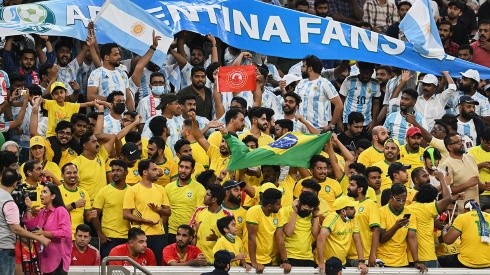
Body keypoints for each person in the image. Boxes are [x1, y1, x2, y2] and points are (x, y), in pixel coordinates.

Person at [0, 169, 50, 275]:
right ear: (15, 183)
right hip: (3, 249)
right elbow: (16, 229)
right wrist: (39, 238)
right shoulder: (8, 202)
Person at [123, 159, 171, 265]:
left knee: (158, 266)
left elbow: (168, 212)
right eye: (154, 169)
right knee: (141, 265)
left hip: (159, 234)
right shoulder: (133, 190)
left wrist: (158, 210)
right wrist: (145, 221)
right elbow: (126, 214)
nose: (157, 172)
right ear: (145, 172)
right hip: (141, 236)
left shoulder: (161, 189)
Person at [377, 184, 427, 272]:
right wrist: (396, 227)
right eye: (398, 200)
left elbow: (412, 237)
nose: (401, 203)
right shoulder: (381, 212)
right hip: (384, 261)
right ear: (391, 197)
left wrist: (416, 261)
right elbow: (381, 239)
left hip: (402, 262)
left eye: (404, 200)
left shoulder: (410, 213)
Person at [24, 183, 72, 275]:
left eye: (45, 192)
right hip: (45, 257)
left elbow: (66, 232)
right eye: (41, 192)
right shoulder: (42, 211)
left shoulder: (61, 210)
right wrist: (29, 208)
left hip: (58, 258)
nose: (41, 194)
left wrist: (44, 233)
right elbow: (31, 226)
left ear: (53, 196)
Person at [243, 188, 290, 274]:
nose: (281, 206)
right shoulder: (253, 212)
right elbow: (251, 237)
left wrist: (285, 261)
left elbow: (280, 238)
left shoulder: (278, 214)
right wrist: (254, 262)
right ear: (269, 206)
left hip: (267, 259)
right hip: (250, 260)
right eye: (278, 204)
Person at [317, 196, 368, 275]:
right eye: (351, 208)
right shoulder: (332, 218)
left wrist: (361, 262)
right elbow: (321, 238)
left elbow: (358, 241)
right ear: (343, 211)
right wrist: (321, 262)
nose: (354, 210)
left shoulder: (352, 219)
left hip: (341, 263)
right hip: (327, 264)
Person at [93, 159, 131, 259]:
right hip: (109, 238)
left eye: (118, 170)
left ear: (126, 172)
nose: (115, 173)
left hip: (128, 237)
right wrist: (100, 233)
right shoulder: (104, 191)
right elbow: (94, 214)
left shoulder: (132, 191)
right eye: (113, 170)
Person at [294, 55, 343, 131]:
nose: (301, 69)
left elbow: (339, 105)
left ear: (310, 68)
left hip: (317, 129)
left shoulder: (325, 83)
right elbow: (294, 101)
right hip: (299, 129)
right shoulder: (301, 83)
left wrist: (331, 125)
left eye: (303, 66)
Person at [165, 155, 206, 244]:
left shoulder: (199, 188)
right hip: (172, 233)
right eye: (181, 167)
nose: (183, 170)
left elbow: (200, 213)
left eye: (187, 168)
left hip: (189, 234)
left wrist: (194, 234)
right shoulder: (168, 188)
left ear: (193, 171)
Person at [439, 133, 484, 212]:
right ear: (450, 147)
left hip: (476, 208)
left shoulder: (470, 158)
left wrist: (484, 187)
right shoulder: (446, 164)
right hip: (460, 211)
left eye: (461, 141)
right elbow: (447, 191)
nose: (461, 144)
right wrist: (467, 185)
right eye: (457, 142)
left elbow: (475, 181)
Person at [190, 183, 232, 263]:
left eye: (208, 194)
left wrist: (217, 239)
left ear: (214, 199)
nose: (204, 196)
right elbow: (189, 235)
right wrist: (194, 232)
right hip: (200, 261)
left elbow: (231, 240)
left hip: (218, 262)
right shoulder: (199, 211)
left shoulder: (227, 215)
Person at [442, 200, 490, 268]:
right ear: (479, 207)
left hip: (467, 262)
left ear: (465, 210)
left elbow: (448, 241)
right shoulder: (489, 216)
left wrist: (445, 229)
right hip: (488, 262)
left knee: (441, 261)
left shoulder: (462, 217)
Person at [278, 191, 320, 267]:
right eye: (305, 210)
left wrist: (315, 216)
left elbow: (316, 235)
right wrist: (295, 212)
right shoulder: (285, 211)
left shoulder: (312, 214)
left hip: (308, 258)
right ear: (299, 203)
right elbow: (288, 232)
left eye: (309, 211)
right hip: (290, 256)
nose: (307, 212)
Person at [346, 175, 380, 267]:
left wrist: (372, 254)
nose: (348, 187)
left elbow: (376, 230)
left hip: (363, 256)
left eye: (352, 185)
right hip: (346, 256)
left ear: (360, 189)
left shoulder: (370, 205)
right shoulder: (347, 204)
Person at [59, 162, 96, 237]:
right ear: (62, 176)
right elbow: (56, 214)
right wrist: (74, 205)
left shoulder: (84, 193)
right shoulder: (57, 191)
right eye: (69, 173)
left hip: (78, 237)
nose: (72, 175)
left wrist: (91, 216)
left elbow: (87, 217)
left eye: (75, 172)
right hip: (62, 235)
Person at [467, 127, 490, 207]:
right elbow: (467, 170)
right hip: (480, 193)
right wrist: (481, 165)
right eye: (487, 143)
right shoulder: (472, 151)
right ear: (481, 139)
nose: (489, 146)